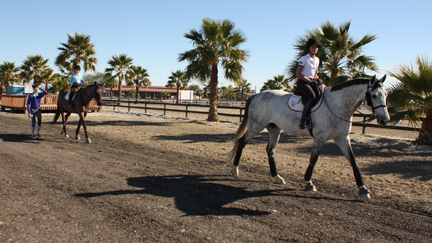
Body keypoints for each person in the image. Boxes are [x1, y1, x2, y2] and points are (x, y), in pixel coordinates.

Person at [295, 38, 321, 129]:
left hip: (311, 82)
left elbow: (314, 74)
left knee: (320, 94)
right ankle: (303, 121)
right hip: (303, 83)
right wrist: (309, 81)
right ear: (309, 48)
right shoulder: (304, 59)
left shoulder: (317, 60)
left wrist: (319, 80)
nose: (315, 49)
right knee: (312, 96)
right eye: (313, 47)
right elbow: (298, 74)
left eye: (316, 47)